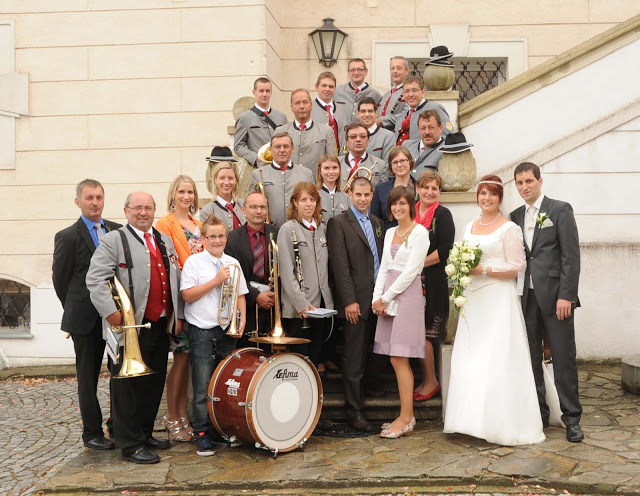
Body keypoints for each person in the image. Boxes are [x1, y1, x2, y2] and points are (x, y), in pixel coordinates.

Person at [444, 175, 546, 446]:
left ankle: (499, 423)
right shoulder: (468, 227)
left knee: (496, 357)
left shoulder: (508, 228)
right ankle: (468, 421)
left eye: (492, 194)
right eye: (482, 194)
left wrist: (484, 270)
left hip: (498, 300)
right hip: (473, 300)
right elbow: (457, 256)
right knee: (471, 357)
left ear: (500, 199)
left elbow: (518, 266)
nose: (486, 198)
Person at [87, 192, 183, 464]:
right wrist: (111, 313)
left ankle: (143, 432)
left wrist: (178, 315)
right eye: (137, 208)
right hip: (128, 327)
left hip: (159, 324)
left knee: (153, 383)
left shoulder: (163, 239)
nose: (143, 213)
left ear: (155, 211)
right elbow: (95, 279)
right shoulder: (113, 240)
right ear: (126, 211)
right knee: (127, 386)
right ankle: (130, 444)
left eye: (148, 208)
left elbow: (173, 279)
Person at [511, 162, 584, 442]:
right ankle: (540, 414)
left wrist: (567, 295)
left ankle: (572, 419)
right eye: (519, 183)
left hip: (556, 298)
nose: (524, 187)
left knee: (563, 358)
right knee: (531, 359)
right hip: (526, 297)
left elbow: (571, 256)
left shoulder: (560, 209)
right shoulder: (515, 216)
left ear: (540, 181)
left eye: (529, 181)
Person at [52, 179, 121, 451]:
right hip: (85, 319)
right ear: (78, 201)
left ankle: (117, 423)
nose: (95, 202)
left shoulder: (117, 231)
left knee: (120, 373)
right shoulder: (67, 236)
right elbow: (61, 279)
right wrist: (74, 309)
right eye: (89, 197)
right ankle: (92, 433)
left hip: (115, 316)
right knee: (88, 377)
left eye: (99, 197)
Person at [180, 215, 248, 456]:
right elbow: (187, 295)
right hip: (202, 331)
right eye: (212, 236)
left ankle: (222, 429)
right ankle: (202, 433)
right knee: (202, 387)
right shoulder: (194, 263)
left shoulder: (233, 262)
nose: (217, 240)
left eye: (221, 236)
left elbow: (240, 295)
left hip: (227, 331)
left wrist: (241, 320)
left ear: (226, 238)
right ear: (204, 238)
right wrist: (216, 280)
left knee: (225, 385)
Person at [327, 177, 384, 432]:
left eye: (367, 195)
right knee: (354, 358)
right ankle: (354, 410)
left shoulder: (377, 223)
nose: (362, 199)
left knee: (375, 353)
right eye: (358, 194)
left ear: (372, 195)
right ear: (350, 194)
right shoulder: (338, 223)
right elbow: (339, 265)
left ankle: (367, 397)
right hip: (355, 302)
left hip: (377, 300)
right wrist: (349, 300)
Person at [372, 186, 430, 438]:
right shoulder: (390, 232)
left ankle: (407, 418)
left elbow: (410, 272)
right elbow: (384, 266)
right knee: (394, 358)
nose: (398, 208)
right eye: (394, 204)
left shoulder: (420, 232)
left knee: (400, 357)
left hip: (406, 296)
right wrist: (376, 298)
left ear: (411, 206)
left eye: (402, 204)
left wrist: (386, 296)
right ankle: (404, 414)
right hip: (387, 296)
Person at [154, 175, 204, 442]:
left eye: (190, 192)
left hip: (200, 301)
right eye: (182, 191)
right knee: (181, 358)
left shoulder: (199, 224)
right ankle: (172, 415)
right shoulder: (165, 224)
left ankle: (182, 415)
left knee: (189, 359)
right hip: (179, 300)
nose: (186, 196)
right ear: (173, 195)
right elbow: (169, 264)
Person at [277, 182, 333, 369]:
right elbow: (286, 272)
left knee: (315, 362)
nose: (308, 204)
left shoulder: (322, 229)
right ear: (295, 202)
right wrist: (301, 304)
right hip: (298, 310)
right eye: (303, 200)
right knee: (298, 365)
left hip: (320, 308)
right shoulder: (287, 229)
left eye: (312, 200)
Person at [412, 171, 454, 401]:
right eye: (425, 187)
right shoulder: (411, 211)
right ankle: (426, 378)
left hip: (433, 282)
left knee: (427, 335)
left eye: (434, 188)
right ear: (417, 188)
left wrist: (418, 265)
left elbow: (446, 250)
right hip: (411, 283)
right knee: (416, 333)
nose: (429, 192)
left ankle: (432, 382)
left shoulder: (443, 214)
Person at [225, 191, 278, 349]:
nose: (258, 211)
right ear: (243, 210)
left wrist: (275, 295)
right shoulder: (232, 238)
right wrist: (256, 296)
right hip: (246, 306)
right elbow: (233, 276)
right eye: (253, 207)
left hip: (272, 306)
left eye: (262, 207)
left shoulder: (277, 233)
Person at [247, 132, 314, 229]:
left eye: (286, 146)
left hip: (300, 230)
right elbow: (251, 206)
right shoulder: (258, 174)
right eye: (278, 147)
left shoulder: (306, 174)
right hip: (269, 231)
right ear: (270, 149)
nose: (282, 150)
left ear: (292, 149)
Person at [275, 89, 336, 176]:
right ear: (291, 107)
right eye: (297, 103)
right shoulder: (280, 131)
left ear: (311, 105)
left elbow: (332, 163)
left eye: (305, 102)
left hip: (315, 187)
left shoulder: (326, 131)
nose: (301, 106)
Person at [234, 77, 288, 167]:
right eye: (261, 91)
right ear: (254, 92)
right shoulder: (244, 118)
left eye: (267, 91)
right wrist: (255, 158)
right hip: (260, 167)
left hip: (281, 166)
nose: (264, 94)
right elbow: (238, 145)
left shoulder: (281, 117)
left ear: (271, 92)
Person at [386, 76, 452, 147]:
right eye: (407, 91)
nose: (410, 95)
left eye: (414, 90)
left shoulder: (435, 108)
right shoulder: (401, 117)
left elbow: (449, 138)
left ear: (423, 92)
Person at [370, 146, 417, 232]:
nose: (399, 165)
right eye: (395, 162)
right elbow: (375, 220)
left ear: (410, 162)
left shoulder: (419, 187)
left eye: (403, 160)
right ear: (390, 166)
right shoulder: (381, 189)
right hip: (388, 239)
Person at [200, 161, 246, 231]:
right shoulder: (207, 211)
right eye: (222, 178)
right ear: (215, 180)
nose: (226, 182)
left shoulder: (245, 205)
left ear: (236, 180)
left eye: (230, 178)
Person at [339, 122, 386, 190]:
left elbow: (382, 194)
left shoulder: (380, 165)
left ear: (368, 141)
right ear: (347, 142)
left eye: (363, 136)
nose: (358, 140)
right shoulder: (336, 163)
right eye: (353, 137)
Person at [335, 58, 382, 123]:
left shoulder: (375, 94)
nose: (356, 73)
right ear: (348, 72)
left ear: (366, 72)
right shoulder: (336, 92)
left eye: (360, 70)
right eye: (352, 70)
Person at [311, 71, 349, 151]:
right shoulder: (309, 108)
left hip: (339, 158)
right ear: (316, 86)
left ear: (335, 89)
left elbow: (345, 136)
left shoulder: (342, 109)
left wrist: (344, 154)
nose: (327, 89)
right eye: (324, 86)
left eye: (331, 86)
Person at [404, 109, 444, 180]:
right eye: (423, 128)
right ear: (419, 130)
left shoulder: (446, 150)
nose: (427, 132)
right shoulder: (406, 146)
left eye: (431, 128)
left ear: (440, 128)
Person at [316, 153, 351, 224]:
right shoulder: (314, 195)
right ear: (320, 171)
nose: (331, 172)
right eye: (326, 168)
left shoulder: (346, 197)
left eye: (335, 168)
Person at [358, 97, 395, 162]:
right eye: (363, 111)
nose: (367, 114)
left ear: (376, 113)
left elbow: (388, 164)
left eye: (370, 111)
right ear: (358, 114)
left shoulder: (388, 136)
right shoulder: (350, 135)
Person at [378, 56, 410, 124]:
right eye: (392, 68)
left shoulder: (410, 92)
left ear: (407, 71)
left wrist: (381, 121)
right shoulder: (385, 96)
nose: (395, 71)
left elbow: (407, 115)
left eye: (399, 68)